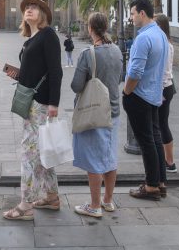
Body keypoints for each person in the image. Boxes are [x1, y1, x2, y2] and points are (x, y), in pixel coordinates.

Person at [3, 0, 62, 221]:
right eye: (26, 7)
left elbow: (56, 72)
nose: (29, 9)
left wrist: (54, 103)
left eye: (34, 7)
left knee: (29, 153)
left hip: (41, 104)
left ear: (43, 13)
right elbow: (35, 72)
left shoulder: (48, 36)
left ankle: (25, 205)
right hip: (32, 102)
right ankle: (52, 196)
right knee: (42, 151)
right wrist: (18, 74)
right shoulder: (32, 38)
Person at [71, 12, 122, 218]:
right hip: (114, 110)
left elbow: (76, 85)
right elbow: (121, 76)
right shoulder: (117, 50)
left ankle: (94, 205)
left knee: (94, 158)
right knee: (110, 157)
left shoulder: (88, 53)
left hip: (94, 112)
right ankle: (108, 201)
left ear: (90, 28)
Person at [122, 0, 168, 200]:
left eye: (132, 13)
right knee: (155, 139)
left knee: (146, 142)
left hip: (139, 95)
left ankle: (150, 186)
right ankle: (160, 182)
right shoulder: (161, 35)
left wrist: (126, 91)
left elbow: (135, 71)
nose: (131, 18)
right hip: (154, 95)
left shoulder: (143, 38)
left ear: (142, 13)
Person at [155, 13, 177, 175]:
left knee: (161, 124)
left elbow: (162, 71)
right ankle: (166, 160)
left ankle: (169, 162)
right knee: (161, 124)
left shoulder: (164, 45)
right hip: (167, 86)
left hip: (163, 88)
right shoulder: (167, 43)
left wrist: (159, 92)